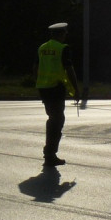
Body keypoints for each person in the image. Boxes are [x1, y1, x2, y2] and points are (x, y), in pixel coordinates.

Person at [35, 22, 80, 168]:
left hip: (44, 88)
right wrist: (76, 89)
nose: (66, 34)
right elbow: (69, 69)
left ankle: (49, 153)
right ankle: (50, 154)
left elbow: (35, 67)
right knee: (57, 120)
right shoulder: (63, 48)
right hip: (56, 88)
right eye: (65, 32)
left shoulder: (42, 48)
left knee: (53, 118)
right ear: (61, 34)